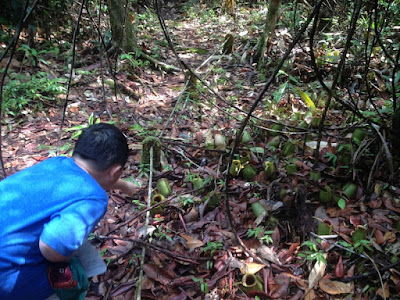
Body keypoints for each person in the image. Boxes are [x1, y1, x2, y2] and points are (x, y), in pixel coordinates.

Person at [0, 123, 137, 300]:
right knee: (70, 268)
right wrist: (68, 256)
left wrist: (123, 185)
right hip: (8, 278)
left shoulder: (57, 162)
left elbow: (86, 176)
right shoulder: (94, 199)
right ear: (116, 171)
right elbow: (51, 247)